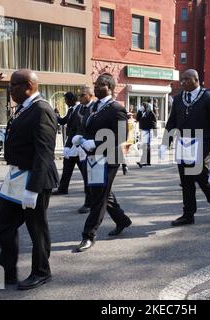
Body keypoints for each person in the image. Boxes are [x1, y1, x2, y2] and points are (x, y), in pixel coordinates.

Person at [0, 69, 59, 290]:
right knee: (5, 222)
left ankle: (42, 271)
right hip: (16, 176)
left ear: (28, 86)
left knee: (37, 227)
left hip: (35, 178)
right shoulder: (25, 108)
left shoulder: (41, 109)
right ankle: (7, 271)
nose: (9, 89)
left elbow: (44, 152)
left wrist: (33, 189)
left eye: (13, 85)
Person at [72, 73, 132, 252]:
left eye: (99, 85)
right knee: (103, 192)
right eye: (95, 84)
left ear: (109, 87)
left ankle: (88, 235)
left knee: (98, 195)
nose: (95, 87)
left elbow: (121, 135)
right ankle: (122, 220)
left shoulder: (116, 108)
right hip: (92, 157)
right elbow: (86, 127)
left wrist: (98, 143)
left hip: (109, 157)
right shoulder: (95, 107)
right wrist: (79, 138)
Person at [160, 69, 210, 226]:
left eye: (186, 79)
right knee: (186, 181)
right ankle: (188, 214)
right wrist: (165, 143)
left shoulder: (209, 98)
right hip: (183, 143)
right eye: (182, 79)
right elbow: (172, 121)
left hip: (201, 143)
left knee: (201, 177)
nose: (182, 82)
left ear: (196, 80)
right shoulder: (178, 99)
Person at [66, 87, 96, 214]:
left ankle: (90, 203)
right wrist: (69, 144)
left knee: (90, 177)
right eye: (79, 95)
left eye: (83, 95)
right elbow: (73, 127)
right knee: (87, 176)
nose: (80, 97)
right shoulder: (78, 108)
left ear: (90, 95)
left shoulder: (96, 108)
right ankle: (92, 202)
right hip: (79, 145)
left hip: (92, 147)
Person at [52, 92, 80, 195]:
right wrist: (55, 116)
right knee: (67, 166)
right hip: (69, 144)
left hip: (78, 144)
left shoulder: (80, 109)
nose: (65, 102)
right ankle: (63, 188)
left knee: (84, 170)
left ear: (71, 99)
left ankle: (90, 190)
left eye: (66, 100)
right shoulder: (71, 110)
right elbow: (64, 121)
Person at [136, 102, 157, 167]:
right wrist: (139, 111)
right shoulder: (142, 113)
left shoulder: (150, 113)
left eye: (143, 106)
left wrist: (154, 130)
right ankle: (146, 162)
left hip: (148, 130)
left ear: (146, 106)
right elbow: (137, 119)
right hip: (143, 131)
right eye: (141, 106)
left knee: (146, 146)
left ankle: (143, 162)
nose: (142, 107)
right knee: (146, 147)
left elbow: (154, 121)